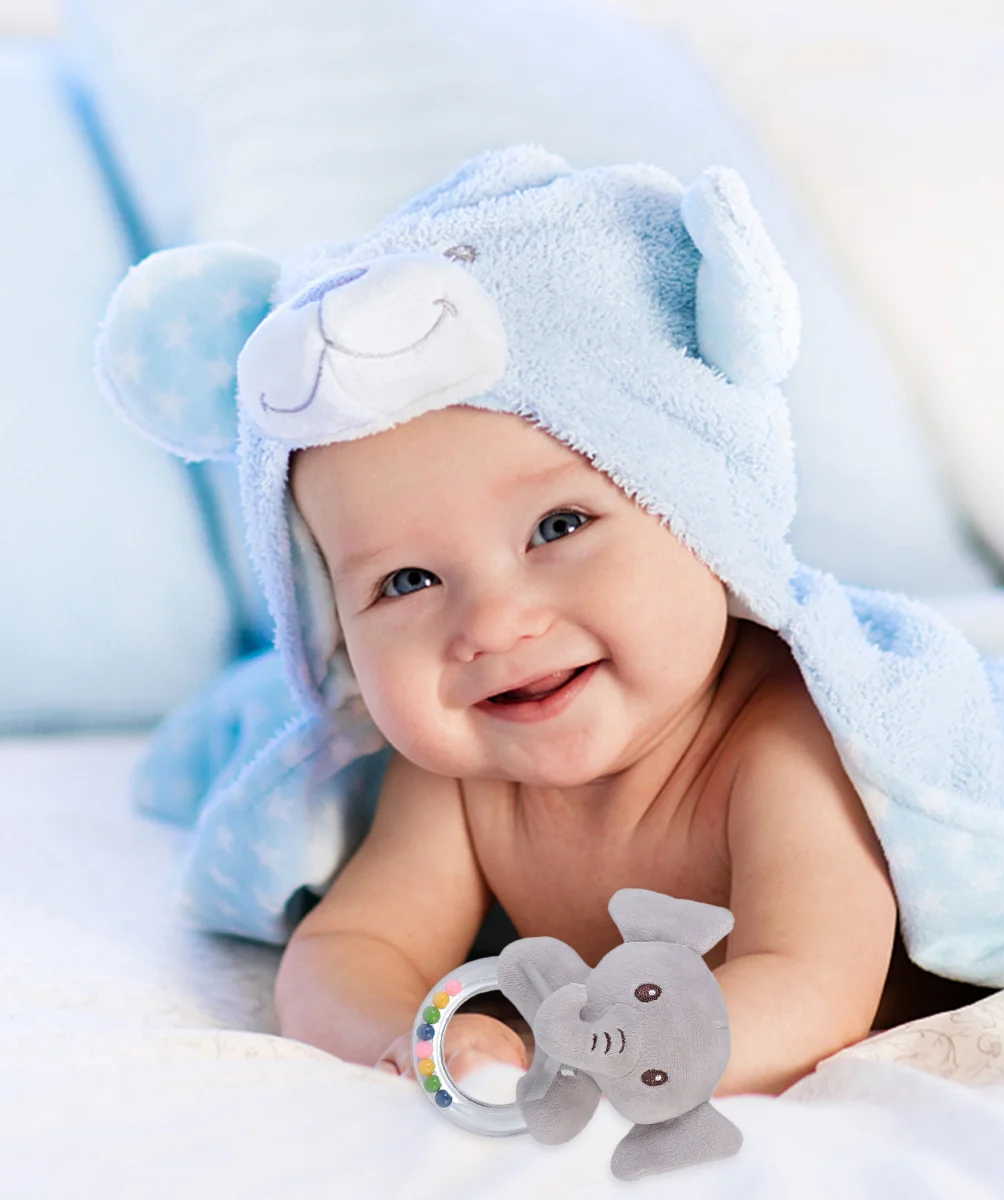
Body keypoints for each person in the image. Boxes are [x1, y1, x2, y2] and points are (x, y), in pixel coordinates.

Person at [276, 401, 899, 1095]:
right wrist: (423, 1040)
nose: (495, 625)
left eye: (557, 527)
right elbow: (352, 947)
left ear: (700, 517)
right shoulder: (464, 768)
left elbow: (812, 986)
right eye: (407, 581)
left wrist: (590, 1068)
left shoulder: (786, 733)